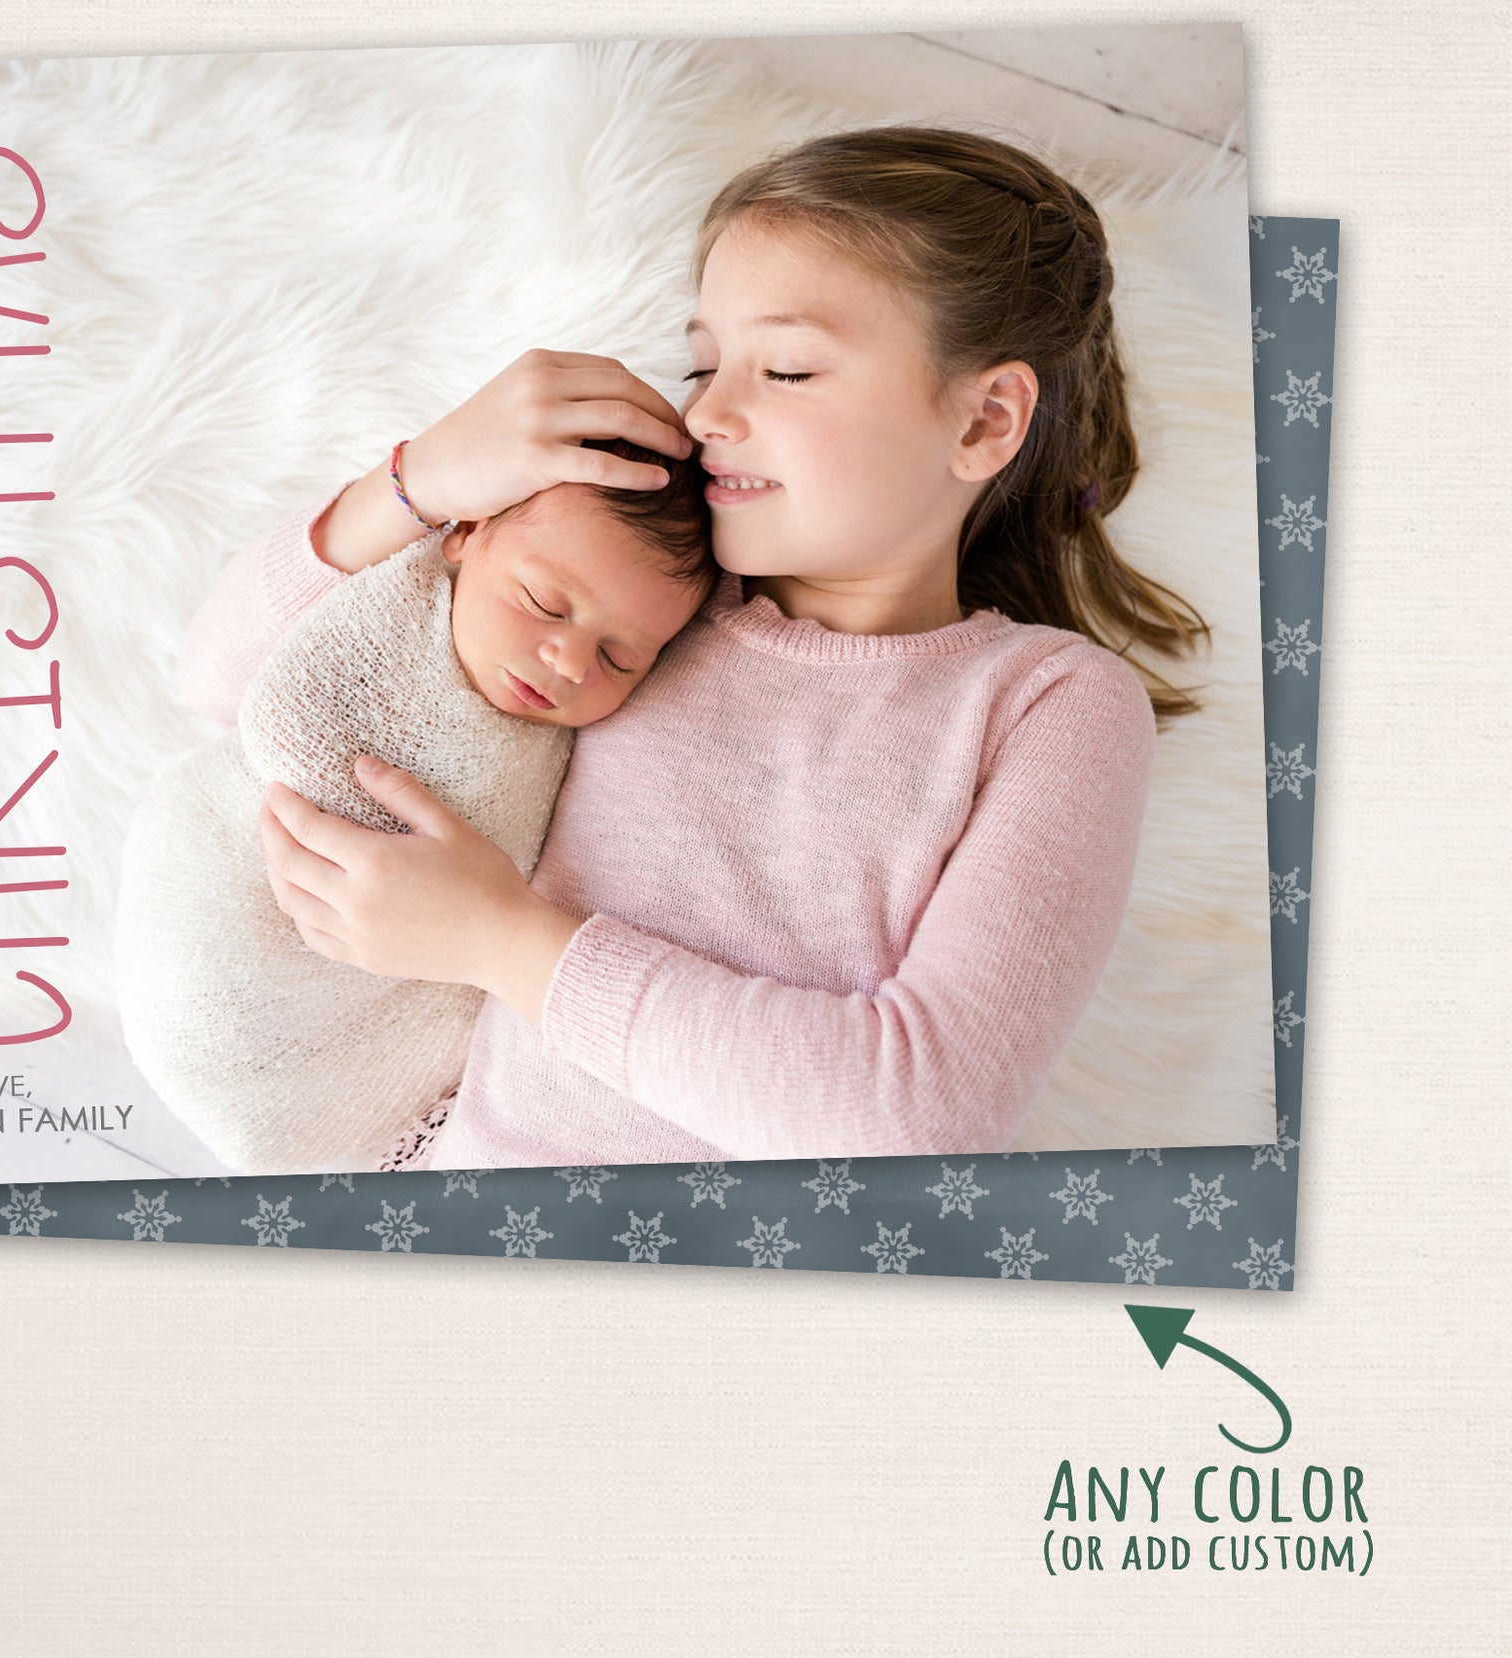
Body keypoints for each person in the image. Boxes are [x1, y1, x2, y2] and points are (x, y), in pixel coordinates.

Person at [186, 125, 1210, 1170]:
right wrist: (421, 477)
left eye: (787, 368)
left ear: (985, 420)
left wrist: (498, 937)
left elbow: (914, 1120)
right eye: (703, 361)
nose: (708, 409)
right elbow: (229, 684)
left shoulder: (1045, 704)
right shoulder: (637, 612)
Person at [118, 438, 713, 1174]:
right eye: (544, 603)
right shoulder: (384, 618)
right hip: (228, 904)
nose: (568, 660)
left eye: (620, 657)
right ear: (464, 535)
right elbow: (274, 719)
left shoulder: (591, 745)